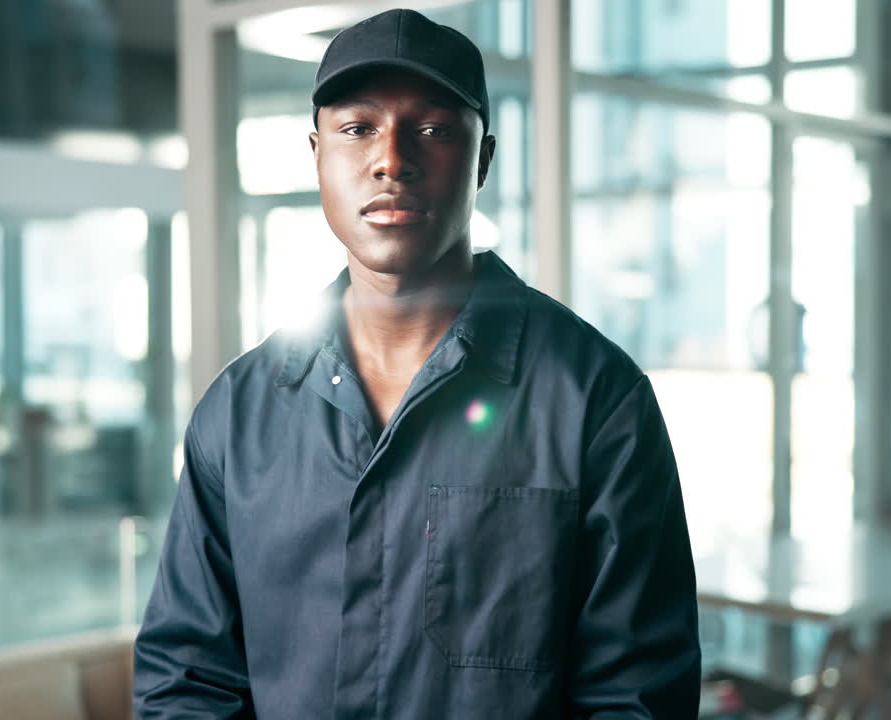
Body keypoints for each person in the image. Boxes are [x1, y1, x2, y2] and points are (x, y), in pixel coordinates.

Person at [133, 8, 700, 719]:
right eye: (357, 128)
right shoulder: (238, 414)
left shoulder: (596, 401)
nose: (391, 159)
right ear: (317, 154)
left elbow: (637, 699)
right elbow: (186, 682)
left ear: (483, 159)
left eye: (431, 130)